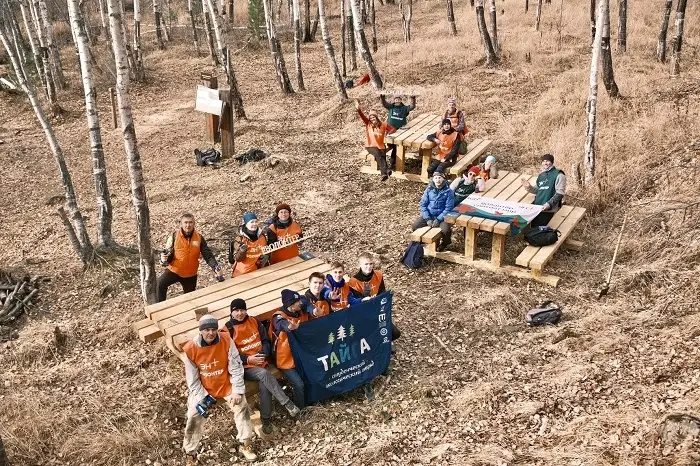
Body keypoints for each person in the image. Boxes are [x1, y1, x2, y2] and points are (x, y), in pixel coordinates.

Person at [181, 314, 257, 464]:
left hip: (225, 385)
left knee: (242, 407)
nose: (211, 333)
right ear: (201, 331)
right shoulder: (191, 349)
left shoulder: (226, 340)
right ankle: (191, 454)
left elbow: (236, 367)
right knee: (193, 415)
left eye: (213, 329)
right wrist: (204, 397)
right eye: (207, 330)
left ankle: (245, 443)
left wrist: (237, 390)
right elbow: (192, 380)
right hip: (203, 389)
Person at [225, 298, 300, 435]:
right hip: (244, 368)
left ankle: (266, 421)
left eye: (242, 310)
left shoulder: (254, 321)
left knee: (265, 386)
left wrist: (263, 354)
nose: (240, 313)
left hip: (261, 361)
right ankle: (287, 403)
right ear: (231, 312)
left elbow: (265, 340)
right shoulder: (228, 329)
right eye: (236, 311)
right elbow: (227, 355)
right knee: (265, 374)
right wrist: (248, 359)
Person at [157, 213, 224, 303]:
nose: (188, 225)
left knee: (190, 300)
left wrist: (215, 266)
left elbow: (208, 255)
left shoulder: (199, 238)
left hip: (190, 274)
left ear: (194, 223)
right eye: (185, 222)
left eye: (190, 222)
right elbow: (167, 254)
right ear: (181, 224)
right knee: (160, 283)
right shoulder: (173, 237)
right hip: (175, 270)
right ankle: (159, 308)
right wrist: (163, 260)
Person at [270, 289, 310, 410]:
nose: (300, 303)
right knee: (299, 384)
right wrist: (289, 327)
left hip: (302, 355)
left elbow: (305, 299)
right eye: (297, 302)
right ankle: (300, 409)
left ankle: (310, 400)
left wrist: (312, 308)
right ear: (290, 305)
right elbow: (280, 324)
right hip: (285, 359)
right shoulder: (279, 316)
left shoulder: (300, 309)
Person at [348, 253, 401, 343]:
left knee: (396, 333)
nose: (369, 266)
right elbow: (356, 304)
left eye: (370, 264)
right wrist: (366, 299)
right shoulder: (354, 282)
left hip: (378, 310)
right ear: (360, 265)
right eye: (366, 264)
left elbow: (382, 292)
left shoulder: (378, 275)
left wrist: (382, 297)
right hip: (363, 314)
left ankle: (384, 341)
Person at [412, 170, 455, 252]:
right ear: (433, 179)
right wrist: (428, 218)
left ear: (443, 179)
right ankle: (421, 241)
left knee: (446, 230)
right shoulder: (429, 189)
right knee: (415, 225)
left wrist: (438, 219)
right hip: (430, 215)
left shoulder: (449, 191)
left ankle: (445, 243)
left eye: (440, 178)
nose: (438, 180)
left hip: (443, 217)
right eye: (436, 178)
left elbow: (448, 208)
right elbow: (423, 204)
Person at [520, 153, 567, 228]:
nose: (545, 163)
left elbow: (560, 194)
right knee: (533, 230)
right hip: (537, 207)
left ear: (552, 162)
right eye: (544, 161)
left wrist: (548, 205)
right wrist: (528, 187)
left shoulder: (559, 175)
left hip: (548, 209)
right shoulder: (542, 175)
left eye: (548, 161)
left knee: (540, 232)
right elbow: (538, 190)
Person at [355, 100, 396, 181]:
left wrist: (388, 134)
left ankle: (386, 171)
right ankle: (384, 173)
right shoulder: (368, 124)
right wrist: (358, 110)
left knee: (382, 155)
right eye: (370, 118)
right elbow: (362, 116)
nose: (372, 119)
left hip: (380, 145)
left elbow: (393, 129)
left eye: (373, 117)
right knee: (378, 154)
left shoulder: (384, 124)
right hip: (370, 145)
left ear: (376, 117)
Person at [228, 212, 276, 277]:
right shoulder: (240, 238)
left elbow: (266, 249)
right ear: (246, 224)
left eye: (256, 222)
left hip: (260, 271)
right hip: (243, 273)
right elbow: (237, 259)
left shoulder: (262, 236)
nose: (254, 224)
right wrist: (242, 251)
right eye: (251, 222)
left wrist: (267, 255)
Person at [380, 93, 417, 170]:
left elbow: (412, 106)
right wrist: (382, 97)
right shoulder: (391, 107)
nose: (397, 100)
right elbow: (384, 104)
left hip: (401, 131)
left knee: (397, 146)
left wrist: (413, 98)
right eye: (396, 99)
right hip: (390, 131)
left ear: (401, 100)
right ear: (394, 100)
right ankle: (390, 162)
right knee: (392, 145)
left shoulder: (404, 108)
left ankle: (392, 163)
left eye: (399, 99)